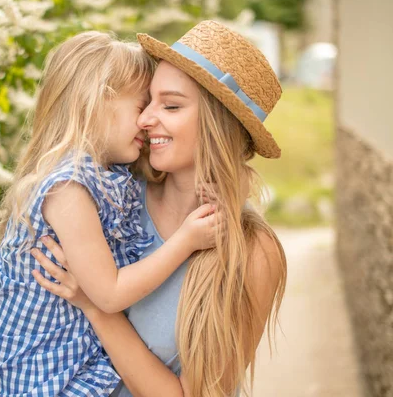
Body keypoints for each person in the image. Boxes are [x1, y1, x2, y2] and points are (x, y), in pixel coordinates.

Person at [31, 20, 287, 397]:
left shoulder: (252, 253)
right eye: (147, 101)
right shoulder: (111, 197)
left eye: (170, 105)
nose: (145, 119)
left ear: (220, 125)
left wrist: (97, 307)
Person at [0, 30, 225, 396]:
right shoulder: (68, 189)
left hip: (68, 363)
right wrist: (186, 241)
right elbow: (109, 295)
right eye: (140, 106)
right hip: (45, 378)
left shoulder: (103, 175)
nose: (146, 120)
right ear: (95, 104)